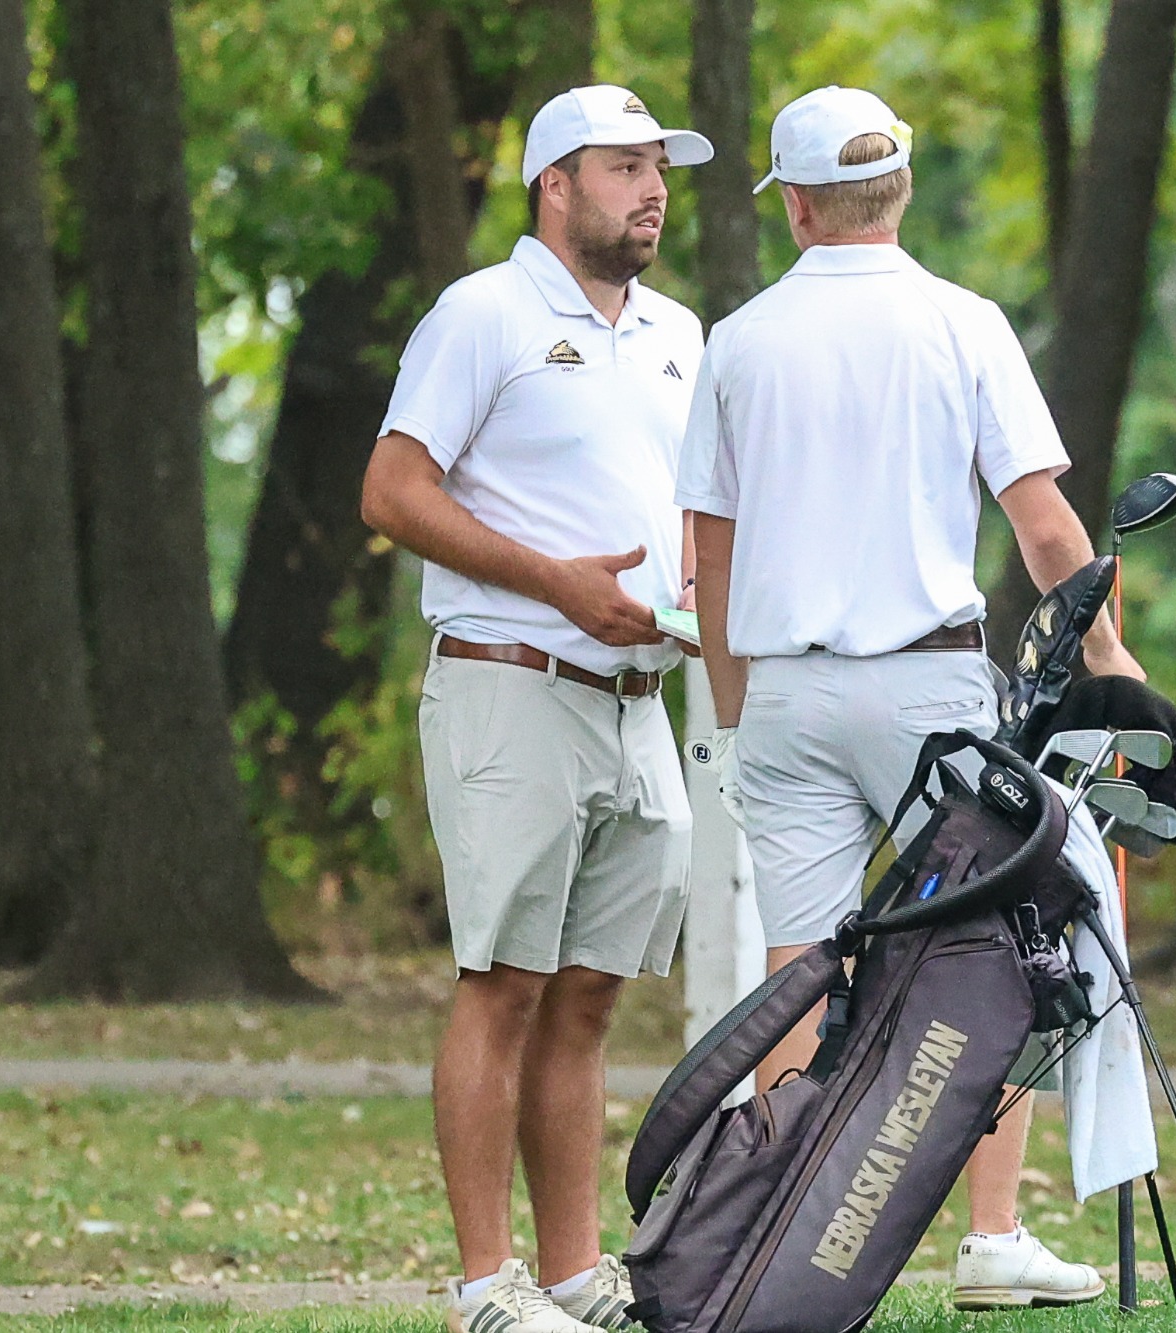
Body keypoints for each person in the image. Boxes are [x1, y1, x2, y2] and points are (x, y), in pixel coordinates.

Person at [680, 85, 1143, 1311]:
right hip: (926, 686)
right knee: (1003, 934)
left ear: (794, 206)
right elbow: (1043, 526)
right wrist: (1111, 664)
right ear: (899, 191)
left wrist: (733, 710)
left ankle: (769, 1244)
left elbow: (708, 552)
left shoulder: (737, 340)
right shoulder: (961, 321)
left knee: (795, 963)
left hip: (782, 689)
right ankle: (990, 1235)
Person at [360, 85, 711, 1333]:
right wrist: (556, 582)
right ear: (553, 186)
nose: (651, 190)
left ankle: (570, 1273)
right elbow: (392, 492)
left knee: (590, 995)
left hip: (639, 698)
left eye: (658, 168)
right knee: (502, 983)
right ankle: (482, 1288)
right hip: (511, 682)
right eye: (623, 168)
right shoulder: (482, 314)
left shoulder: (678, 332)